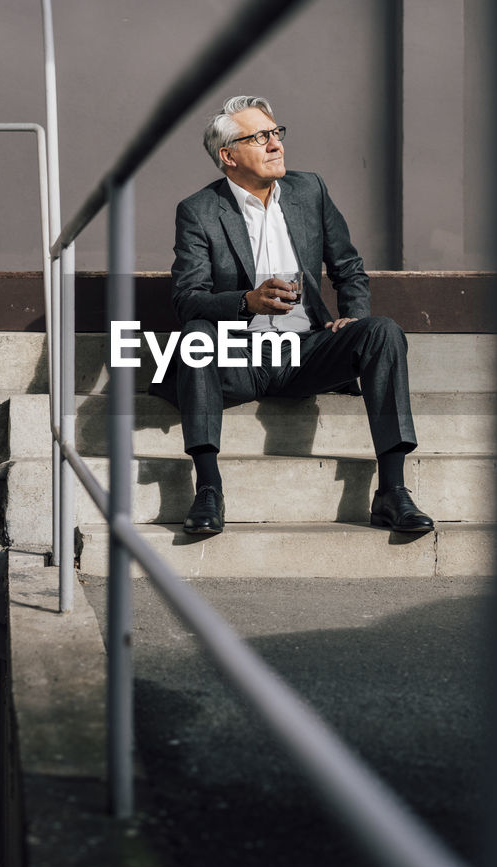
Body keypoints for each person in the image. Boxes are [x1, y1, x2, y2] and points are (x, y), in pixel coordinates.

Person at [154, 94, 434, 537]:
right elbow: (188, 297)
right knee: (196, 333)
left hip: (305, 350)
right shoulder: (200, 211)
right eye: (259, 137)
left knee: (382, 332)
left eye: (275, 133)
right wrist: (247, 301)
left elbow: (348, 267)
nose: (275, 145)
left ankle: (392, 490)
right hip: (239, 357)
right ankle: (208, 487)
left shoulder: (310, 190)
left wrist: (353, 316)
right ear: (228, 156)